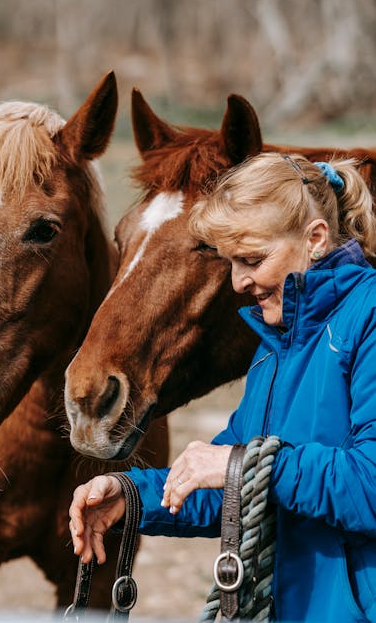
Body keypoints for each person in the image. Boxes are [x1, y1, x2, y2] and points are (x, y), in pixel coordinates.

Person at [69, 152, 376, 622]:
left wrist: (242, 465)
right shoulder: (276, 346)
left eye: (252, 260)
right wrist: (131, 495)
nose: (238, 282)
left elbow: (369, 485)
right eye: (231, 263)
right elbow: (233, 487)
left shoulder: (368, 318)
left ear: (315, 239)